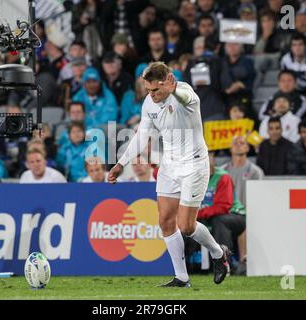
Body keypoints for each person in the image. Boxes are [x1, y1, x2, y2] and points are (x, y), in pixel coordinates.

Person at [108, 62, 230, 287]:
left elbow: (184, 96)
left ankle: (218, 253)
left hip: (194, 165)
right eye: (148, 90)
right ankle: (182, 278)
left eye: (156, 90)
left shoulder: (186, 94)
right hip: (170, 165)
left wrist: (174, 90)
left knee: (186, 226)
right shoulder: (149, 103)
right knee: (165, 220)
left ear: (169, 81)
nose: (152, 95)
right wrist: (121, 163)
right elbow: (142, 136)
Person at [197, 152, 247, 273]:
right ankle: (192, 265)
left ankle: (225, 263)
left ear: (214, 161)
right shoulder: (193, 179)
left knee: (219, 221)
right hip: (208, 216)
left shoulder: (223, 177)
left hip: (235, 215)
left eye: (209, 159)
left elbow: (222, 207)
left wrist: (196, 214)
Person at [221, 136, 264, 208]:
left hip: (249, 212)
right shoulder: (222, 170)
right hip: (226, 213)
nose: (238, 145)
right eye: (235, 143)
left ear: (248, 148)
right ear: (230, 148)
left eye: (242, 143)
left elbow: (260, 196)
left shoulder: (256, 172)